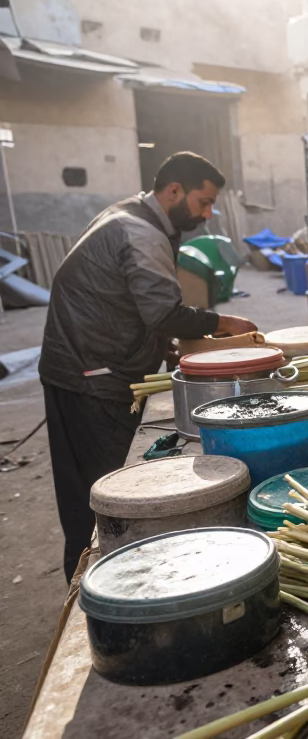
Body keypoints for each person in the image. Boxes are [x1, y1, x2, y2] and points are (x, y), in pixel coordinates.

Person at [39, 151, 256, 580]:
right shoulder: (140, 231)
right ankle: (99, 591)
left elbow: (128, 302)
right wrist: (223, 321)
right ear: (174, 190)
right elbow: (163, 312)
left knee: (86, 489)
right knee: (103, 494)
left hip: (82, 363)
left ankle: (92, 580)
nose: (208, 214)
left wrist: (163, 348)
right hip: (91, 375)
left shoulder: (130, 216)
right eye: (203, 202)